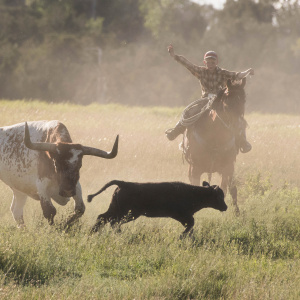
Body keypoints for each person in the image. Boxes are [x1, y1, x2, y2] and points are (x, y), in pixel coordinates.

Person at [165, 44, 254, 153]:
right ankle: (175, 131)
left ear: (217, 62)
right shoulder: (201, 71)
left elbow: (236, 75)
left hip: (219, 100)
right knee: (190, 112)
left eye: (213, 62)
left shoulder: (222, 73)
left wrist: (247, 72)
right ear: (204, 63)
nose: (210, 64)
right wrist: (174, 56)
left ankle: (242, 141)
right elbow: (188, 64)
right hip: (205, 101)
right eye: (208, 62)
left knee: (235, 116)